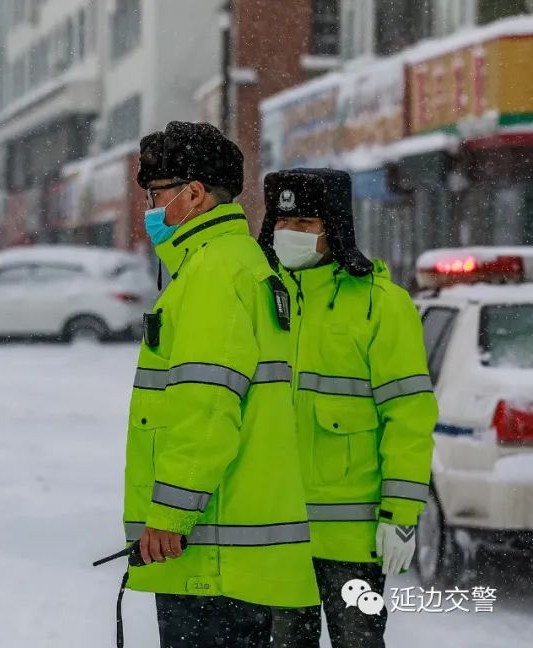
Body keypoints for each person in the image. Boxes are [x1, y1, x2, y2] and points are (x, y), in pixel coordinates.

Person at [120, 121, 319, 648]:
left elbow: (206, 411)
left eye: (157, 194)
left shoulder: (211, 275)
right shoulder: (242, 266)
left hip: (210, 554)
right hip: (236, 556)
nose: (150, 210)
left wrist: (169, 513)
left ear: (193, 195)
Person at [259, 168, 437, 648]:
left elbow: (409, 415)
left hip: (353, 543)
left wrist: (401, 514)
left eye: (305, 225)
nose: (290, 235)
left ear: (334, 227)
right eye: (283, 223)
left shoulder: (382, 305)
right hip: (274, 532)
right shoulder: (257, 298)